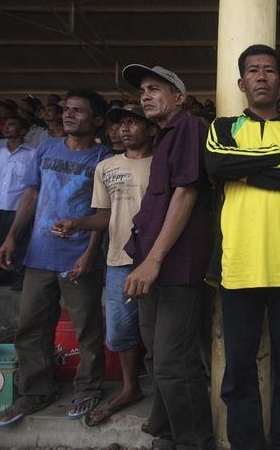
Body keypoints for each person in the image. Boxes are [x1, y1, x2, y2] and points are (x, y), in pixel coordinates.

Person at [204, 44, 280, 450]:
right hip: (239, 266)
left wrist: (248, 169)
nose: (261, 76)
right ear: (241, 82)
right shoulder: (221, 129)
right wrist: (274, 161)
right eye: (253, 70)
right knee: (238, 370)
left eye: (269, 70)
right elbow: (217, 167)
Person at [0, 88, 112, 426]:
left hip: (78, 258)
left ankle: (88, 388)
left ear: (98, 120)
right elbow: (31, 194)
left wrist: (90, 254)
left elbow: (102, 211)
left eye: (78, 110)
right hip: (39, 254)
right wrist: (12, 238)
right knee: (31, 328)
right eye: (66, 109)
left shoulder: (103, 158)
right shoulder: (46, 148)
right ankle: (36, 392)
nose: (68, 114)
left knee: (86, 329)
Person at [121, 64, 214, 450]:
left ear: (180, 98)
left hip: (175, 266)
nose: (145, 95)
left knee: (174, 361)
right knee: (157, 353)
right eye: (143, 90)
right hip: (152, 265)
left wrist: (154, 259)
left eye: (155, 88)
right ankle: (165, 429)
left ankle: (195, 441)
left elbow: (187, 193)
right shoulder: (164, 136)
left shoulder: (188, 127)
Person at [51, 103, 156, 426]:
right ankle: (130, 388)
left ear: (151, 128)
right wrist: (79, 223)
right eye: (118, 124)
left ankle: (167, 394)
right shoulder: (106, 167)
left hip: (156, 261)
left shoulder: (164, 163)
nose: (123, 129)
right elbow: (105, 217)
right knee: (122, 331)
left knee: (159, 335)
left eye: (131, 122)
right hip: (119, 261)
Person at [0, 116, 35, 291]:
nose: (7, 128)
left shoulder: (32, 154)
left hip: (19, 206)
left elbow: (33, 185)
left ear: (23, 131)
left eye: (12, 125)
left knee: (20, 242)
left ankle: (20, 276)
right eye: (7, 125)